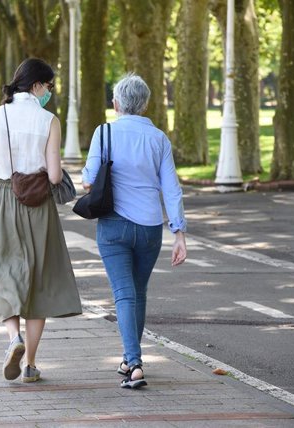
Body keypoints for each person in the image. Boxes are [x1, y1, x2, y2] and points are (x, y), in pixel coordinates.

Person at [81, 73, 187, 389]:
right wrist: (178, 233)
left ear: (116, 104)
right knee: (137, 293)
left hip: (113, 225)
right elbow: (173, 189)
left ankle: (135, 363)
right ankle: (129, 359)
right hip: (150, 228)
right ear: (145, 104)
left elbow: (88, 180)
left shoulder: (104, 133)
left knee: (124, 294)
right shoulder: (159, 139)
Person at [0, 58, 82, 383]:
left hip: (4, 198)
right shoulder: (49, 120)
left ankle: (14, 338)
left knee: (4, 269)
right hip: (39, 205)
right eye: (49, 87)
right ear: (37, 85)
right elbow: (53, 176)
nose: (49, 93)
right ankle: (31, 366)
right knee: (39, 279)